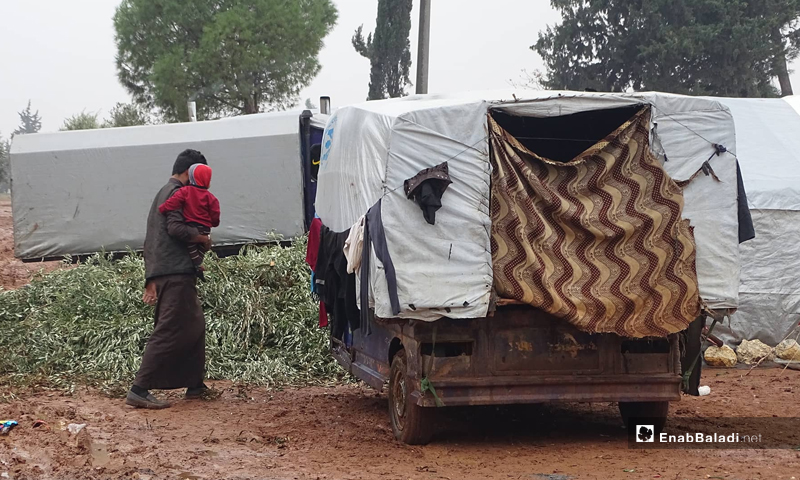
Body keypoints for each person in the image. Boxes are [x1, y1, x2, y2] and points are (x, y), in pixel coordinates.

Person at [126, 149, 212, 409]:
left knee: (194, 326)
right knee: (169, 330)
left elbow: (151, 238)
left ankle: (194, 384)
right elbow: (176, 231)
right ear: (189, 173)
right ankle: (139, 389)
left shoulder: (164, 192)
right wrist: (201, 238)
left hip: (169, 271)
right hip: (175, 273)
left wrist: (150, 276)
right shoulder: (178, 194)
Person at [158, 163, 220, 280]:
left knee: (191, 249)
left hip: (191, 227)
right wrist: (213, 223)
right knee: (201, 249)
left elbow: (173, 202)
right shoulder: (211, 198)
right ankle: (198, 265)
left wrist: (162, 208)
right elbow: (215, 216)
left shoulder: (185, 191)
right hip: (204, 230)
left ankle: (196, 266)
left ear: (191, 177)